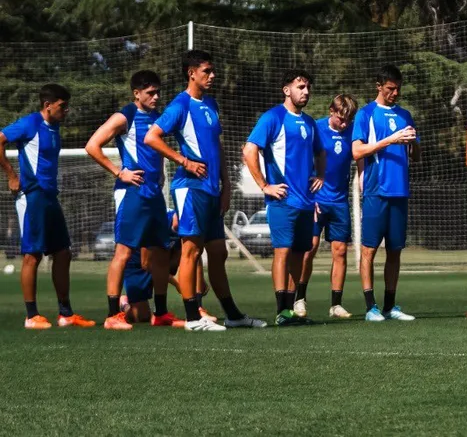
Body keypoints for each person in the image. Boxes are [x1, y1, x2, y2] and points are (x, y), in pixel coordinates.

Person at [146, 50, 263, 330]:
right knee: (191, 252)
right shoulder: (179, 105)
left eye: (212, 71)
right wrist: (184, 161)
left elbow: (218, 147)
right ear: (191, 73)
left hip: (212, 190)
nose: (212, 75)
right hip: (190, 189)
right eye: (207, 71)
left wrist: (225, 187)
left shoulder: (210, 104)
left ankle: (233, 315)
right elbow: (152, 137)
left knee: (218, 253)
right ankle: (193, 317)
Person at [84, 69, 180, 329]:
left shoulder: (158, 118)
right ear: (136, 93)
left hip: (154, 194)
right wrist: (119, 172)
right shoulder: (125, 115)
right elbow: (92, 145)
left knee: (160, 252)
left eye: (158, 92)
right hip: (132, 193)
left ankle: (161, 313)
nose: (156, 96)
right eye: (150, 92)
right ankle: (113, 315)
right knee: (124, 252)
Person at [0, 84, 94, 329]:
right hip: (32, 197)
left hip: (51, 197)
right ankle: (31, 316)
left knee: (63, 253)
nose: (66, 110)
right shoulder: (30, 123)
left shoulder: (55, 128)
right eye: (62, 106)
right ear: (47, 105)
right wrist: (11, 175)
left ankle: (66, 313)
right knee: (33, 255)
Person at [243, 70, 324, 327]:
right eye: (300, 86)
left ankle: (290, 311)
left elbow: (320, 152)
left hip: (305, 203)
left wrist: (320, 175)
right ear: (286, 90)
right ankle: (282, 312)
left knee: (301, 254)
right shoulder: (273, 117)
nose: (306, 91)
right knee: (283, 252)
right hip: (282, 201)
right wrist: (264, 185)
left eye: (308, 87)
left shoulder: (310, 123)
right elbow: (249, 150)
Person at [352, 63, 417, 322]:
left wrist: (413, 143)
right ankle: (371, 307)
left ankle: (390, 306)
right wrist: (390, 140)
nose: (395, 93)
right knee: (369, 250)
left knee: (395, 251)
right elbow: (357, 151)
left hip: (400, 191)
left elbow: (415, 154)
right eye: (391, 88)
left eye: (398, 89)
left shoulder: (405, 115)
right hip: (375, 191)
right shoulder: (366, 113)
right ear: (379, 86)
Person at [297, 93, 358, 319]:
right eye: (341, 119)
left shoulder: (352, 132)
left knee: (340, 251)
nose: (344, 124)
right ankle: (299, 299)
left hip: (340, 201)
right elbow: (302, 164)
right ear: (331, 111)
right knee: (309, 248)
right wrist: (308, 199)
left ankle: (336, 304)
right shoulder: (316, 128)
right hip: (315, 200)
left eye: (348, 120)